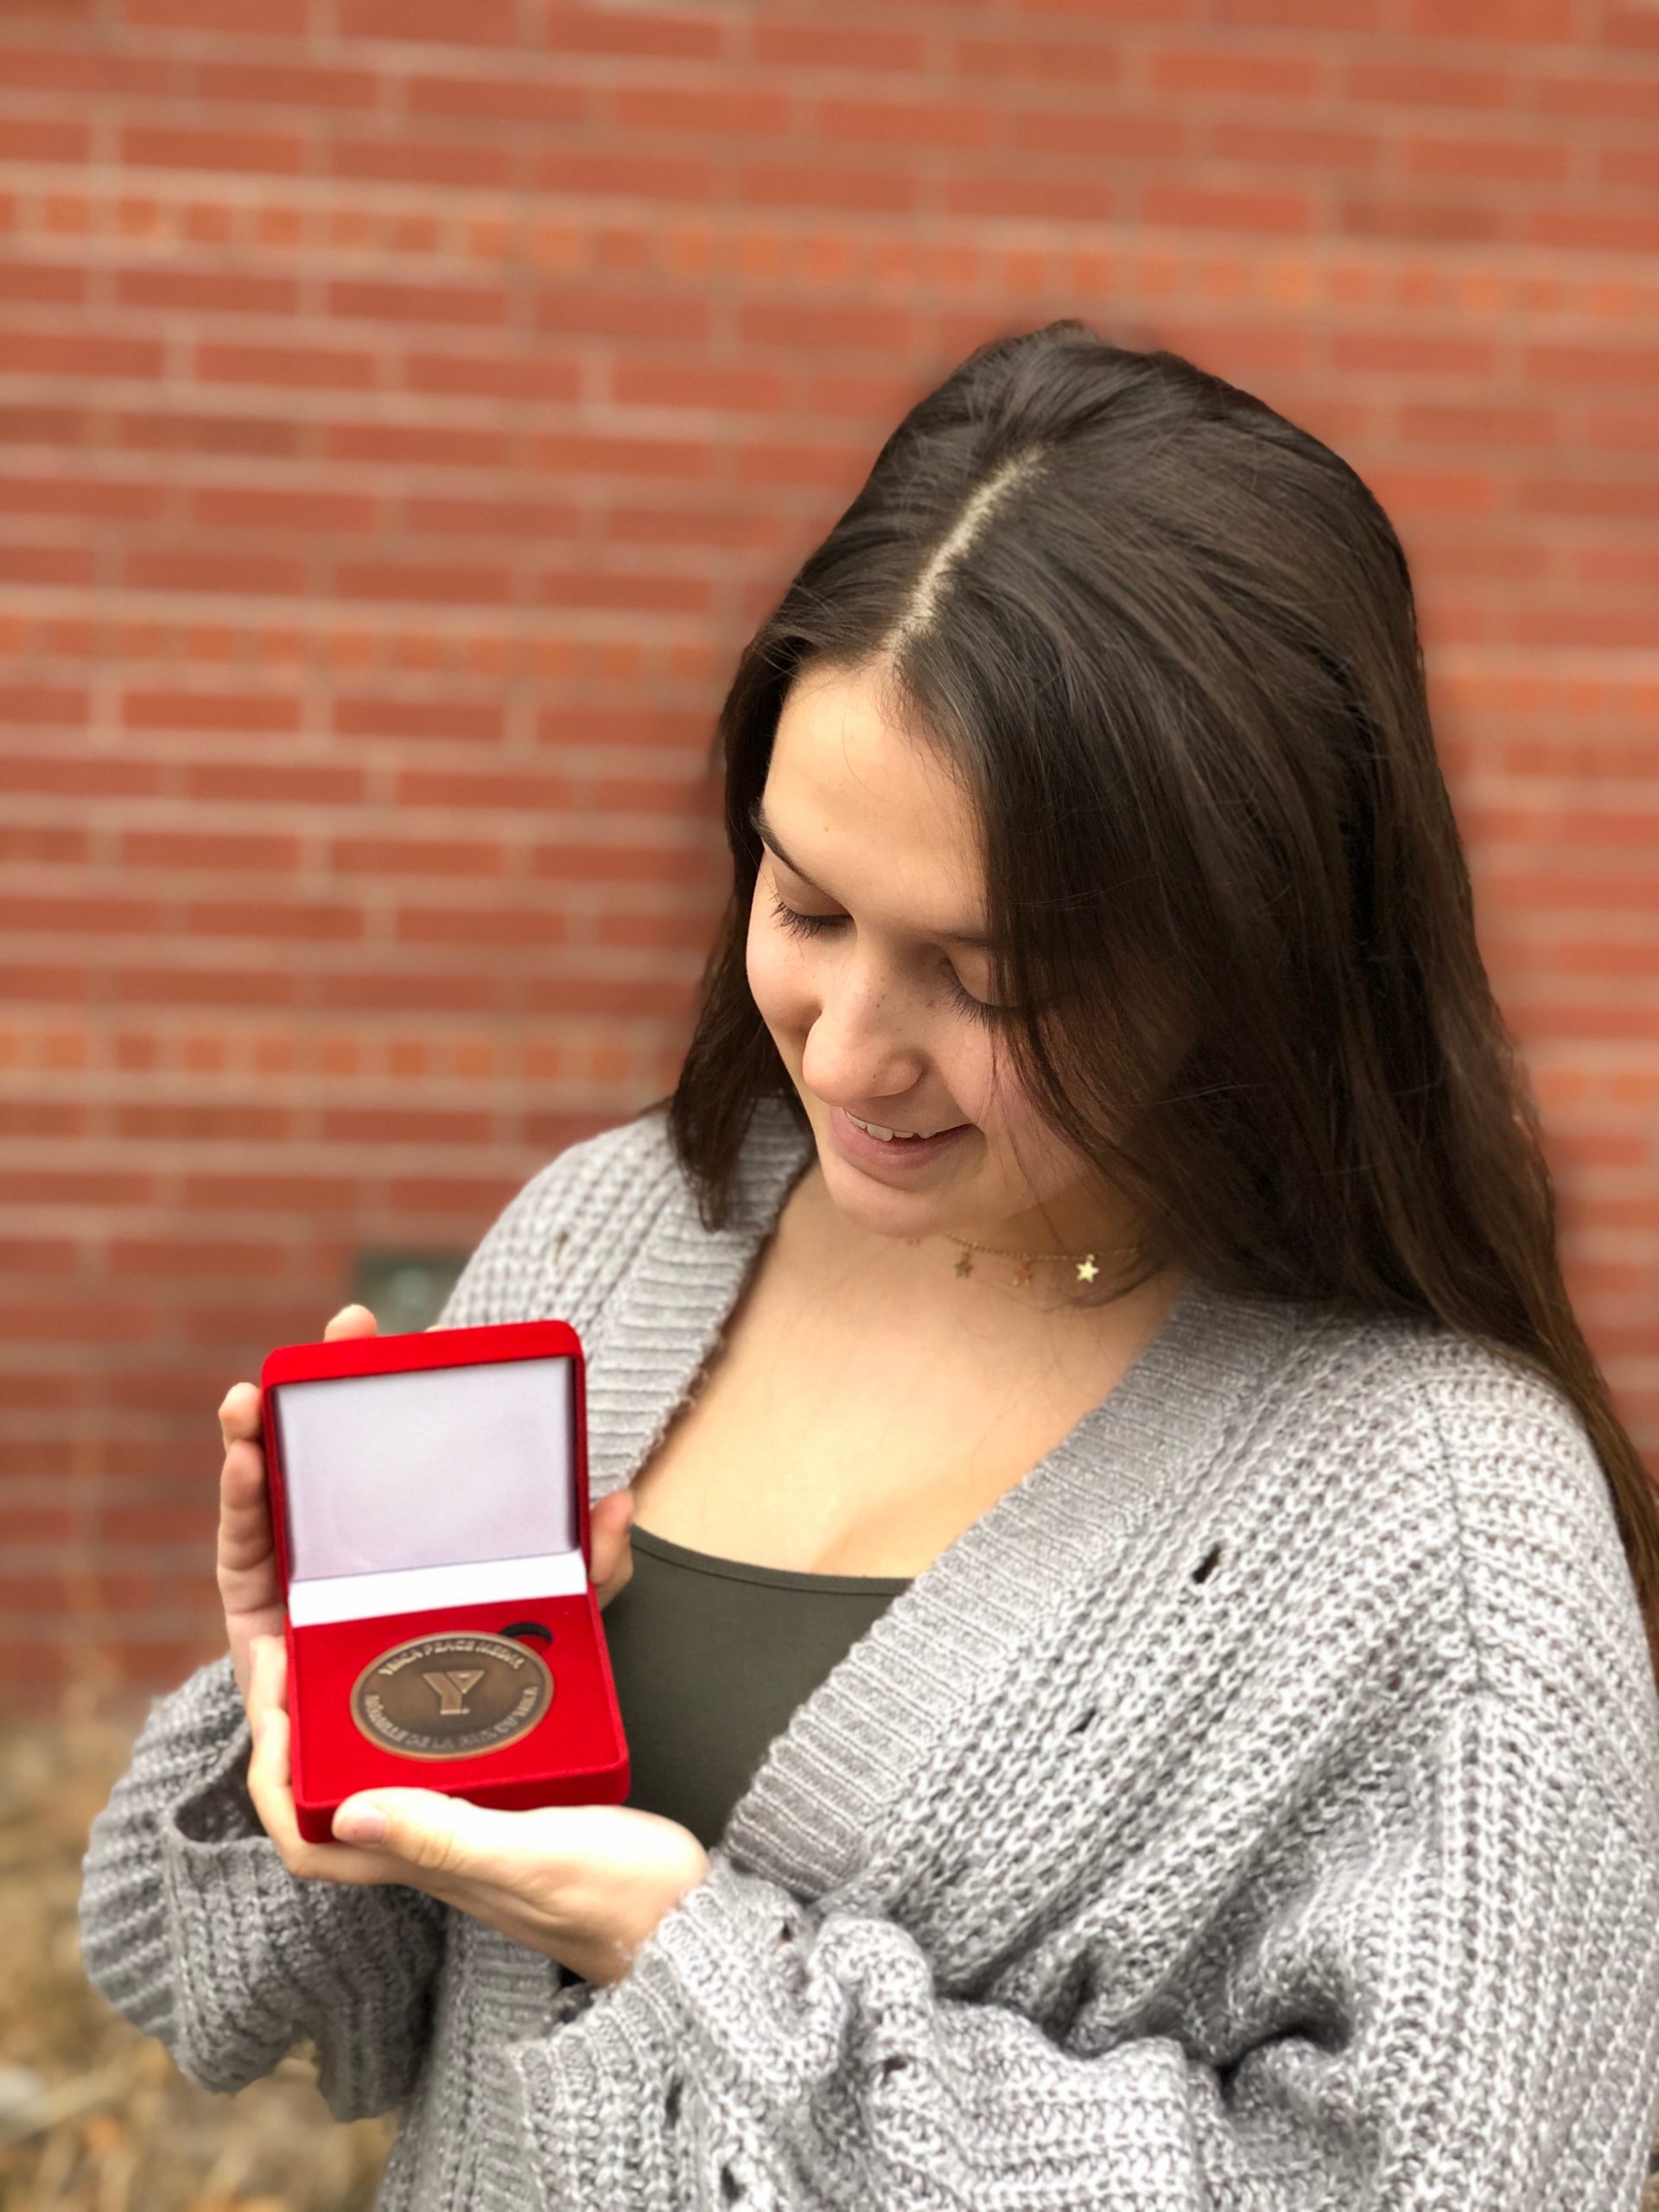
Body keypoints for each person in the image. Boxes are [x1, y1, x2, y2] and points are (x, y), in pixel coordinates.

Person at [79, 321, 1659, 2210]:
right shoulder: (616, 1238)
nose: (842, 1050)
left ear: (1253, 950)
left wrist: (696, 1962)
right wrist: (320, 1724)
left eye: (984, 979)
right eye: (804, 903)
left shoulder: (1448, 1529)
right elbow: (300, 2003)